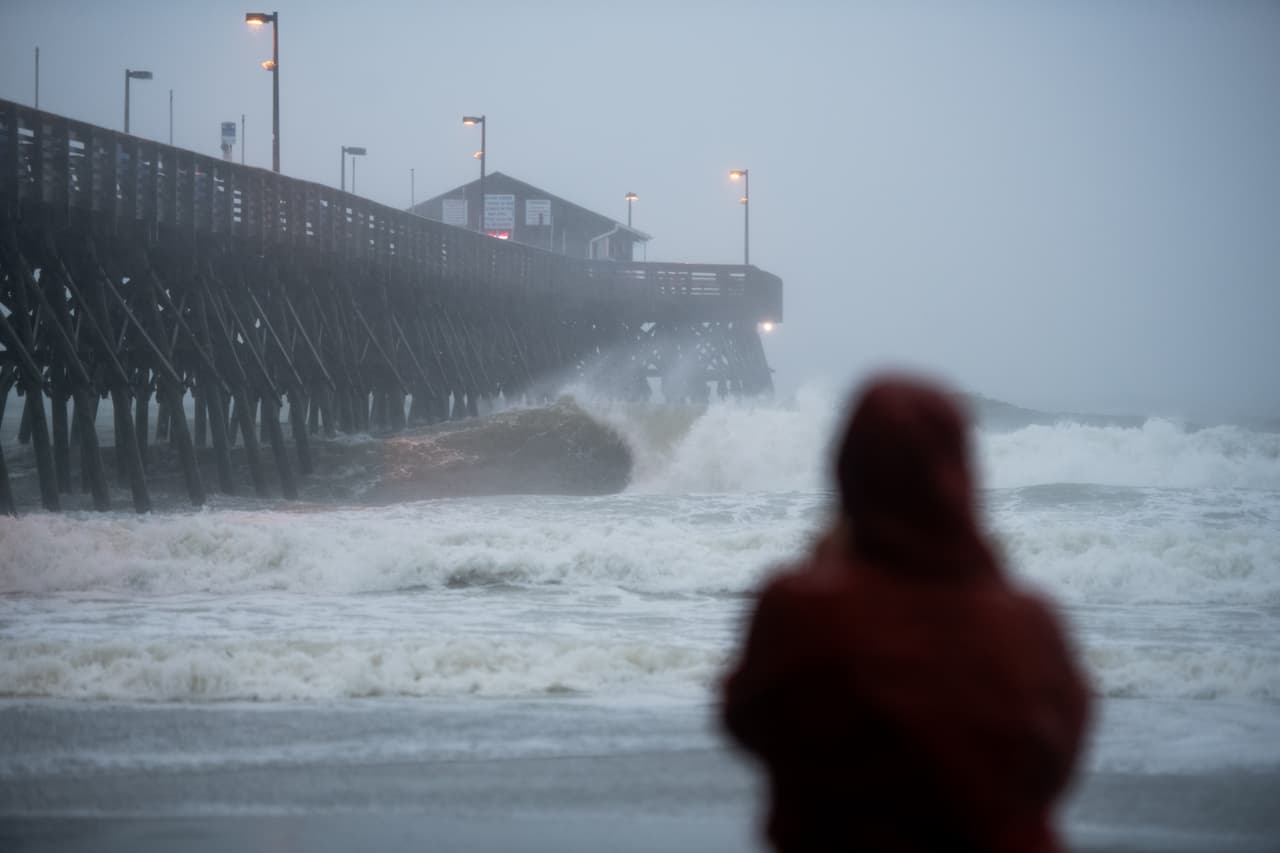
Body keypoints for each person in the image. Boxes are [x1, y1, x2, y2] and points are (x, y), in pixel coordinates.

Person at [722, 375, 1090, 853]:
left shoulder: (799, 609)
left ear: (848, 471)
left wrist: (822, 568)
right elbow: (1057, 758)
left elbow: (747, 716)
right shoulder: (1029, 623)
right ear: (958, 472)